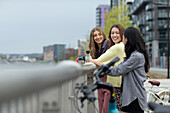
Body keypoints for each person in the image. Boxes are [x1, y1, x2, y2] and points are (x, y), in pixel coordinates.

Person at [106, 27, 150, 113]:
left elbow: (119, 70)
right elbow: (120, 67)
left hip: (134, 97)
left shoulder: (136, 56)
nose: (122, 39)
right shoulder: (132, 55)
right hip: (130, 96)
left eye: (123, 37)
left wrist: (104, 69)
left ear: (127, 39)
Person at [87, 24, 126, 111]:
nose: (114, 35)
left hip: (114, 84)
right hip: (120, 83)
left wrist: (91, 60)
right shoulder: (122, 46)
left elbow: (100, 61)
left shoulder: (116, 47)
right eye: (112, 33)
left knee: (109, 109)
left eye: (117, 33)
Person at [88, 27, 110, 113]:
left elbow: (106, 62)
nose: (98, 37)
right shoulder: (96, 49)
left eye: (99, 34)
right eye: (95, 35)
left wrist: (93, 61)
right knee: (101, 107)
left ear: (103, 35)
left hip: (109, 78)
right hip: (101, 79)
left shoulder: (107, 44)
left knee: (106, 108)